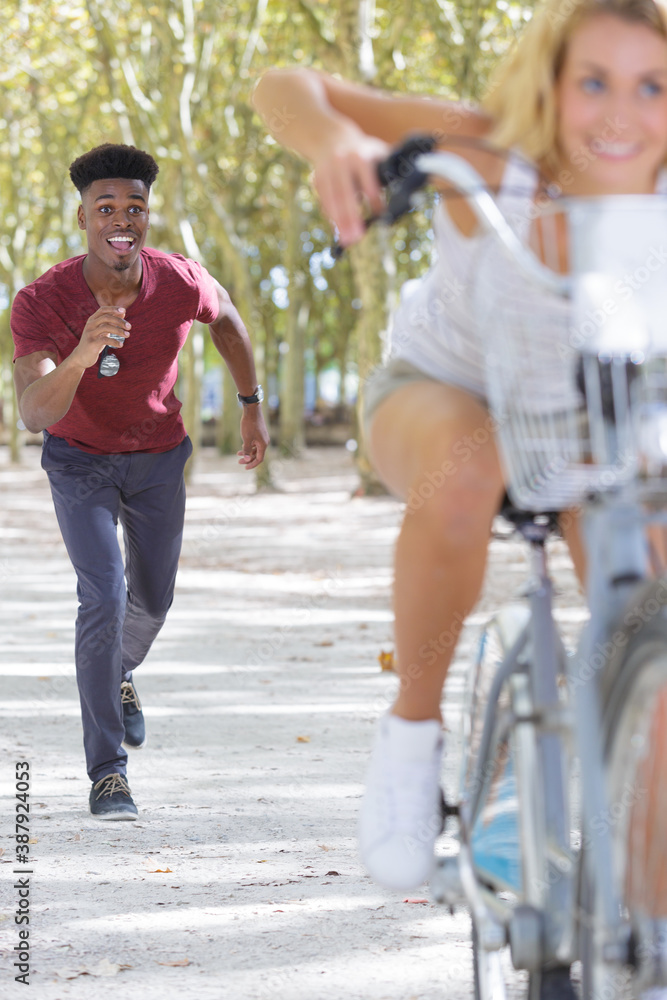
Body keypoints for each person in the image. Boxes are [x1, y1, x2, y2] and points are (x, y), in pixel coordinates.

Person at [252, 0, 667, 890]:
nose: (621, 113)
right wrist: (333, 141)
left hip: (595, 420)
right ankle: (411, 735)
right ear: (548, 88)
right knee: (467, 465)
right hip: (449, 392)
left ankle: (639, 921)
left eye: (651, 86)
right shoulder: (484, 151)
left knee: (655, 617)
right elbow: (284, 87)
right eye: (592, 82)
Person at [11, 144, 270, 821]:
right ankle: (107, 773)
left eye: (135, 208)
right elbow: (35, 412)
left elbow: (231, 325)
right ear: (82, 217)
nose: (122, 219)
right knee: (102, 595)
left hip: (158, 458)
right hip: (79, 461)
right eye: (106, 208)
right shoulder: (41, 301)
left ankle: (118, 672)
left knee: (151, 599)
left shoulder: (181, 281)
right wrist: (82, 352)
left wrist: (251, 405)